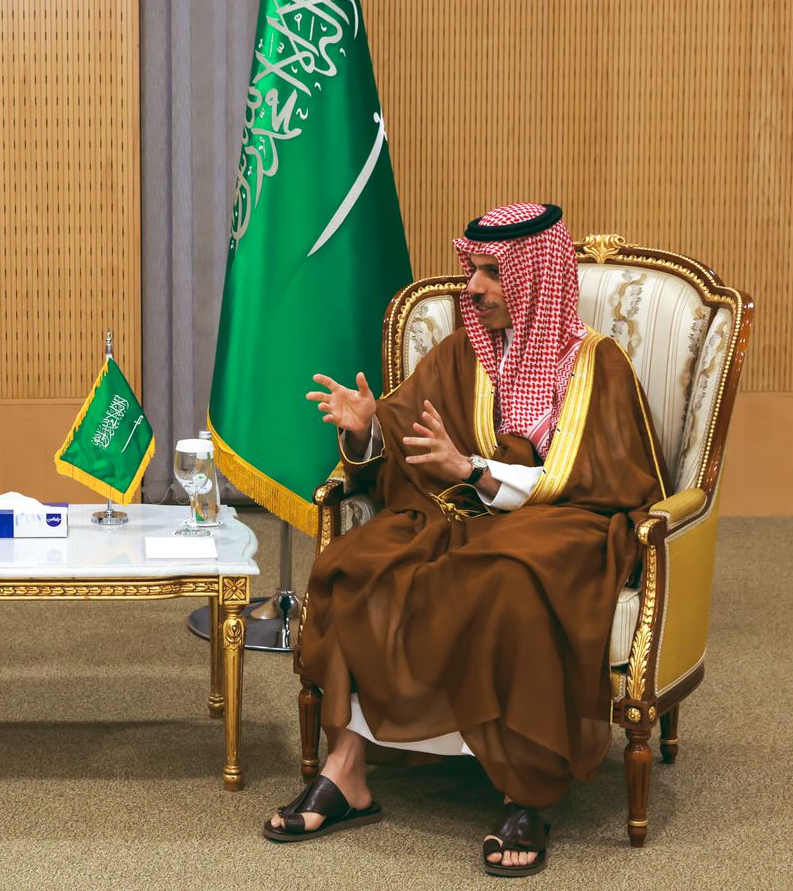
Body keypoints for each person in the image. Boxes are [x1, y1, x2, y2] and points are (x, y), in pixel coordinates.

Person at [263, 202, 667, 878]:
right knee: (358, 562)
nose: (470, 289)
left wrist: (475, 471)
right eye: (470, 269)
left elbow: (608, 483)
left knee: (508, 578)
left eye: (488, 273)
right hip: (455, 514)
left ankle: (524, 792)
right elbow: (404, 432)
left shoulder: (601, 368)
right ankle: (348, 770)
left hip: (563, 524)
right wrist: (367, 429)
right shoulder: (463, 353)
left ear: (536, 279)